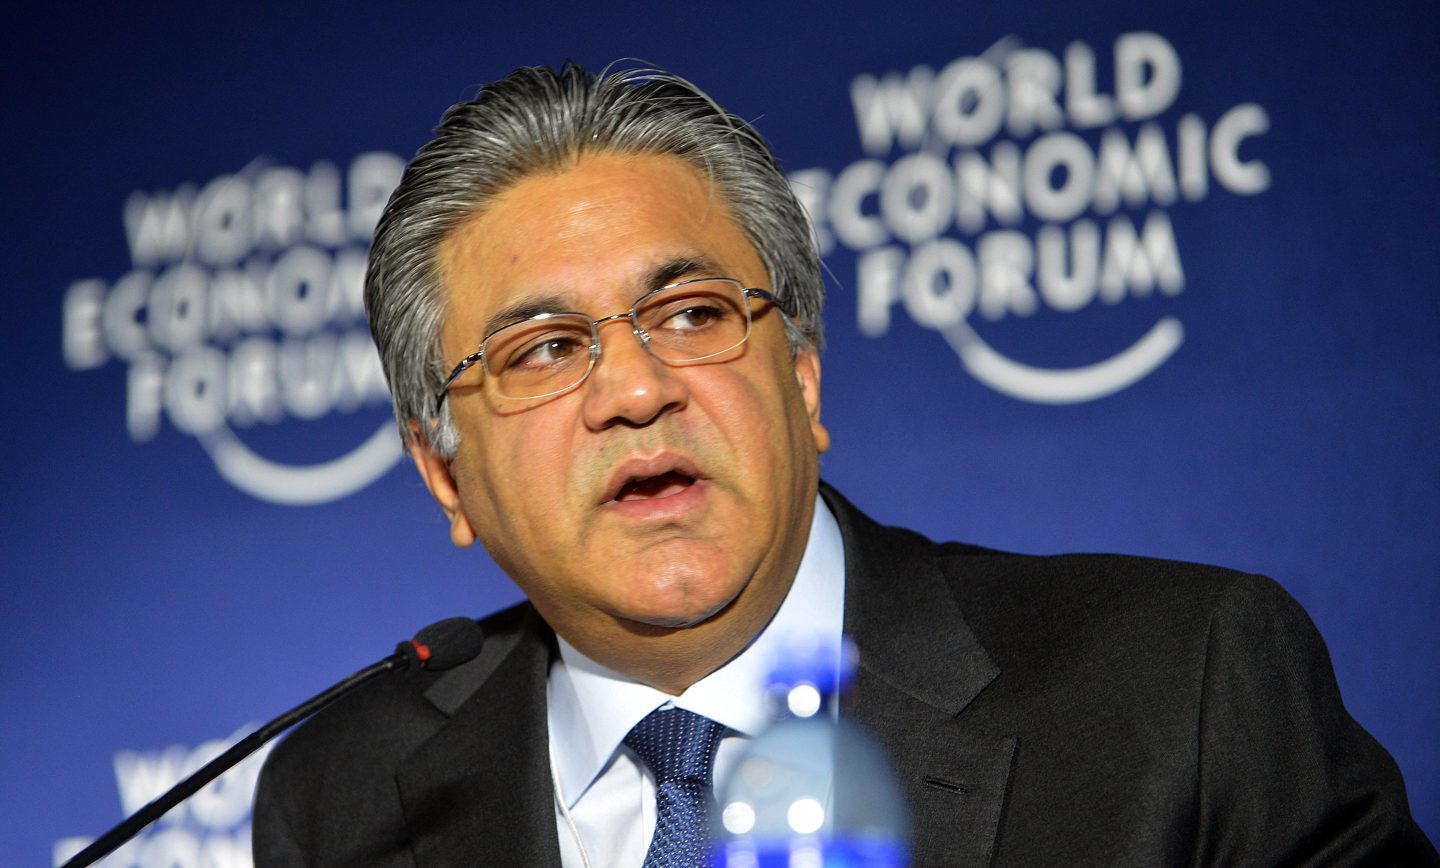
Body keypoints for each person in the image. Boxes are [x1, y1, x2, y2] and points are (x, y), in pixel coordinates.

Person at [252, 62, 1437, 867]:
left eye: (697, 314)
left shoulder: (1188, 689)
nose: (635, 387)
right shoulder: (341, 798)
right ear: (445, 475)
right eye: (546, 348)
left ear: (804, 381)